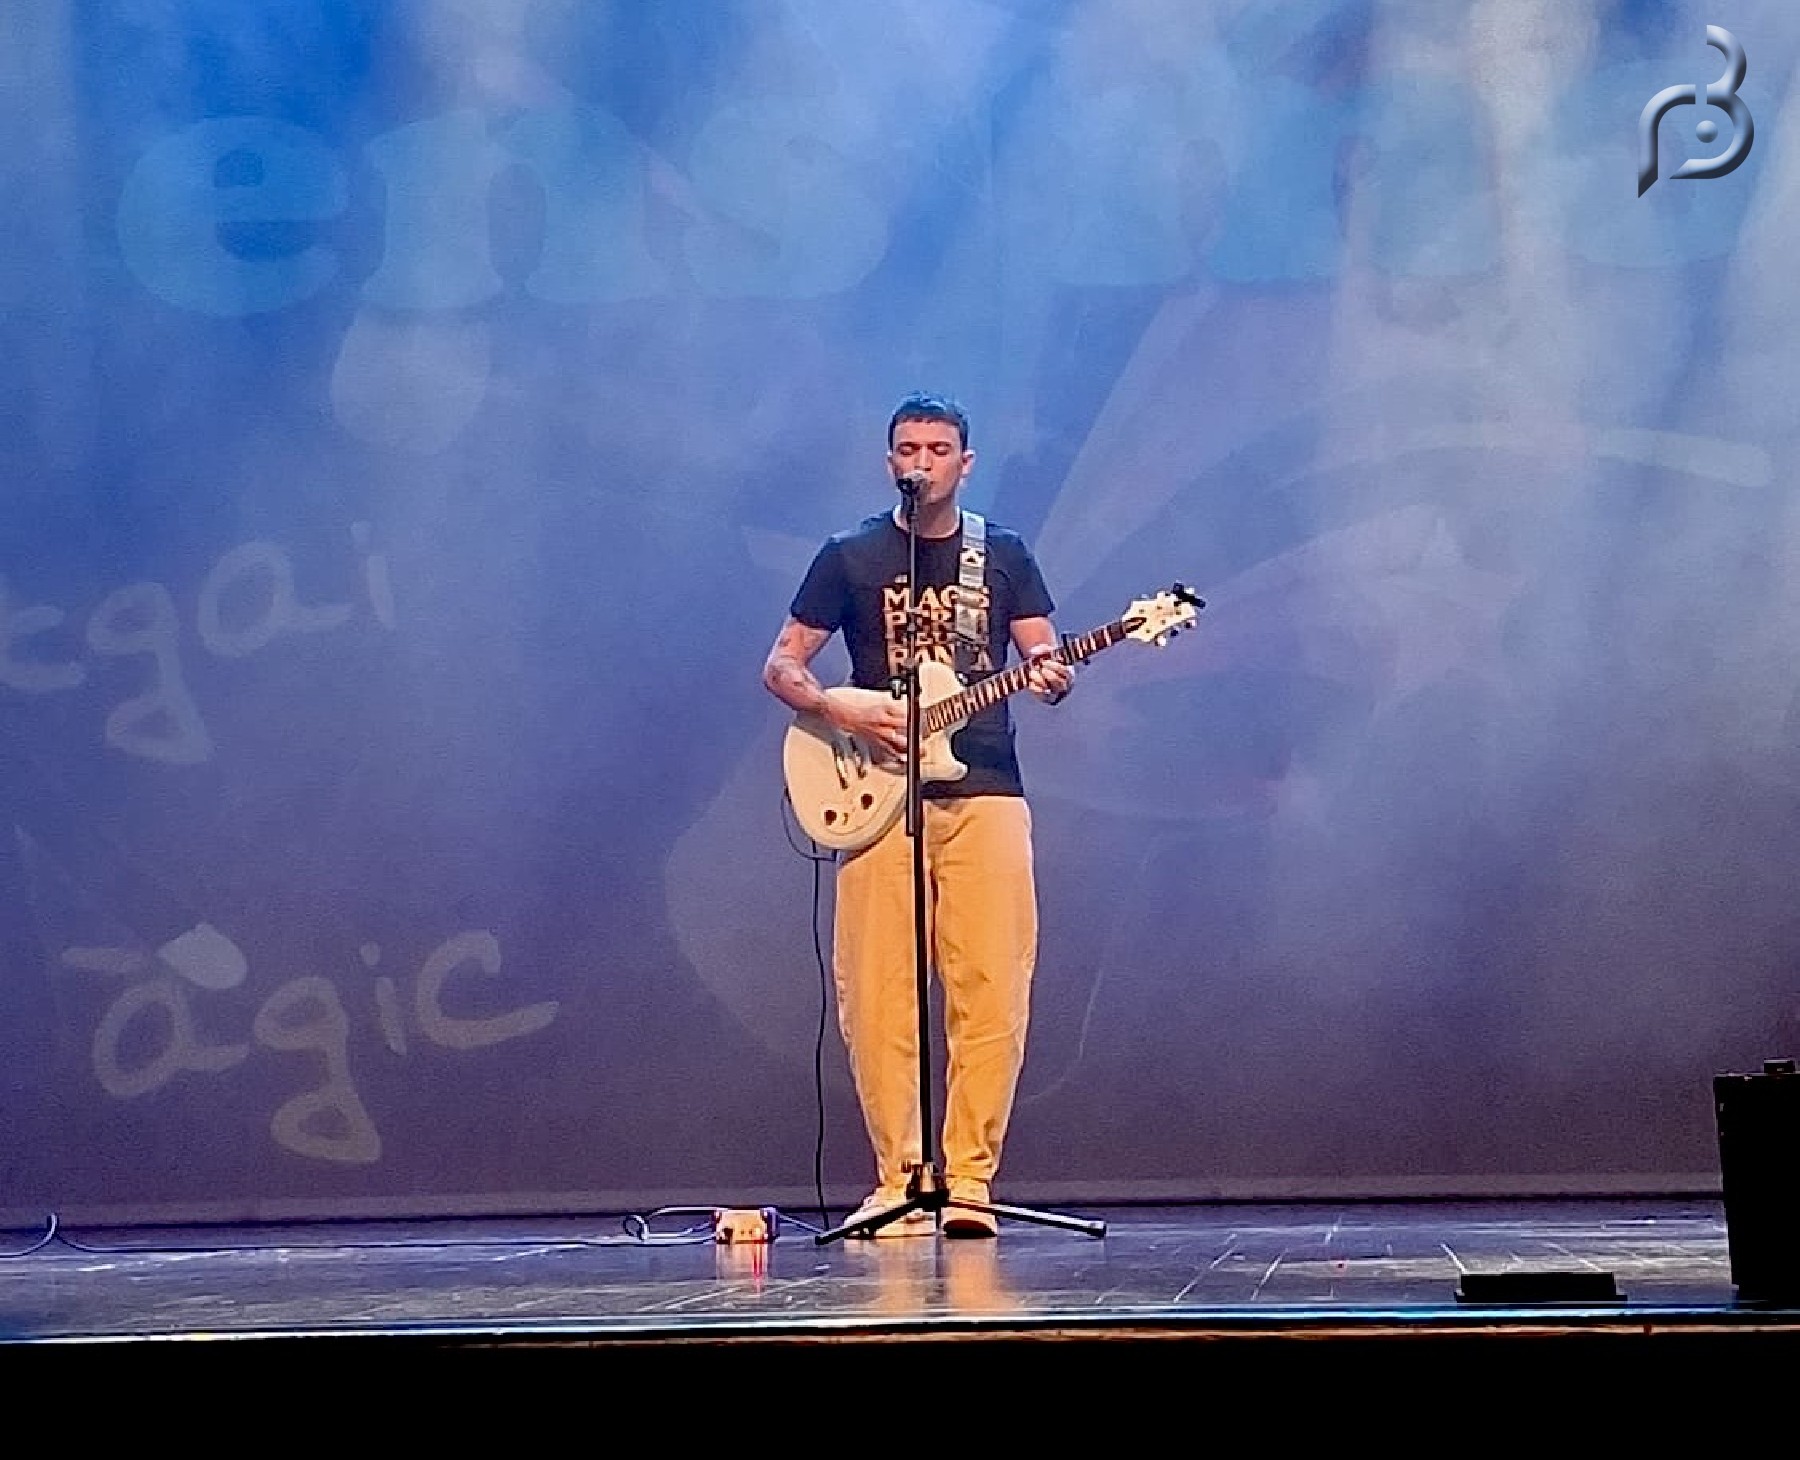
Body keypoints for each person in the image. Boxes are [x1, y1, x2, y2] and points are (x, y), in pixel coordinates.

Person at [761, 392, 1073, 1237]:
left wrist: (1052, 672)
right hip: (878, 797)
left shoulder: (1002, 554)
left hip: (986, 789)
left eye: (938, 449)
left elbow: (1043, 651)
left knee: (992, 988)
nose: (922, 462)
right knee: (878, 996)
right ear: (889, 460)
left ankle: (969, 1181)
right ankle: (898, 1179)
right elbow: (782, 666)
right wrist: (843, 708)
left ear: (965, 464)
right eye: (909, 448)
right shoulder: (850, 555)